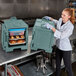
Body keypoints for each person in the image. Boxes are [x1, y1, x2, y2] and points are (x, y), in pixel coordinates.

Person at [43, 8, 74, 76]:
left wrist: (51, 28)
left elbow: (62, 35)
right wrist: (50, 18)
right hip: (58, 46)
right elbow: (57, 22)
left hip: (66, 49)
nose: (62, 16)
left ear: (69, 16)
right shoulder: (61, 19)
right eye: (61, 14)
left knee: (68, 67)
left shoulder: (70, 26)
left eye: (64, 15)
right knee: (57, 66)